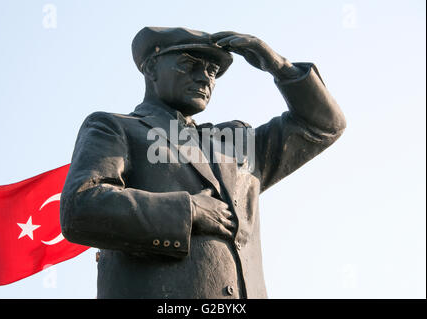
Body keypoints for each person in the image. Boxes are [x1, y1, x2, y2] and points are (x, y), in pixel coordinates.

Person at [60, 27, 346, 298]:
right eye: (189, 64)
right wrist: (190, 209)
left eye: (211, 71)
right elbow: (81, 207)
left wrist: (279, 67)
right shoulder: (115, 127)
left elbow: (324, 126)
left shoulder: (235, 144)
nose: (204, 78)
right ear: (150, 68)